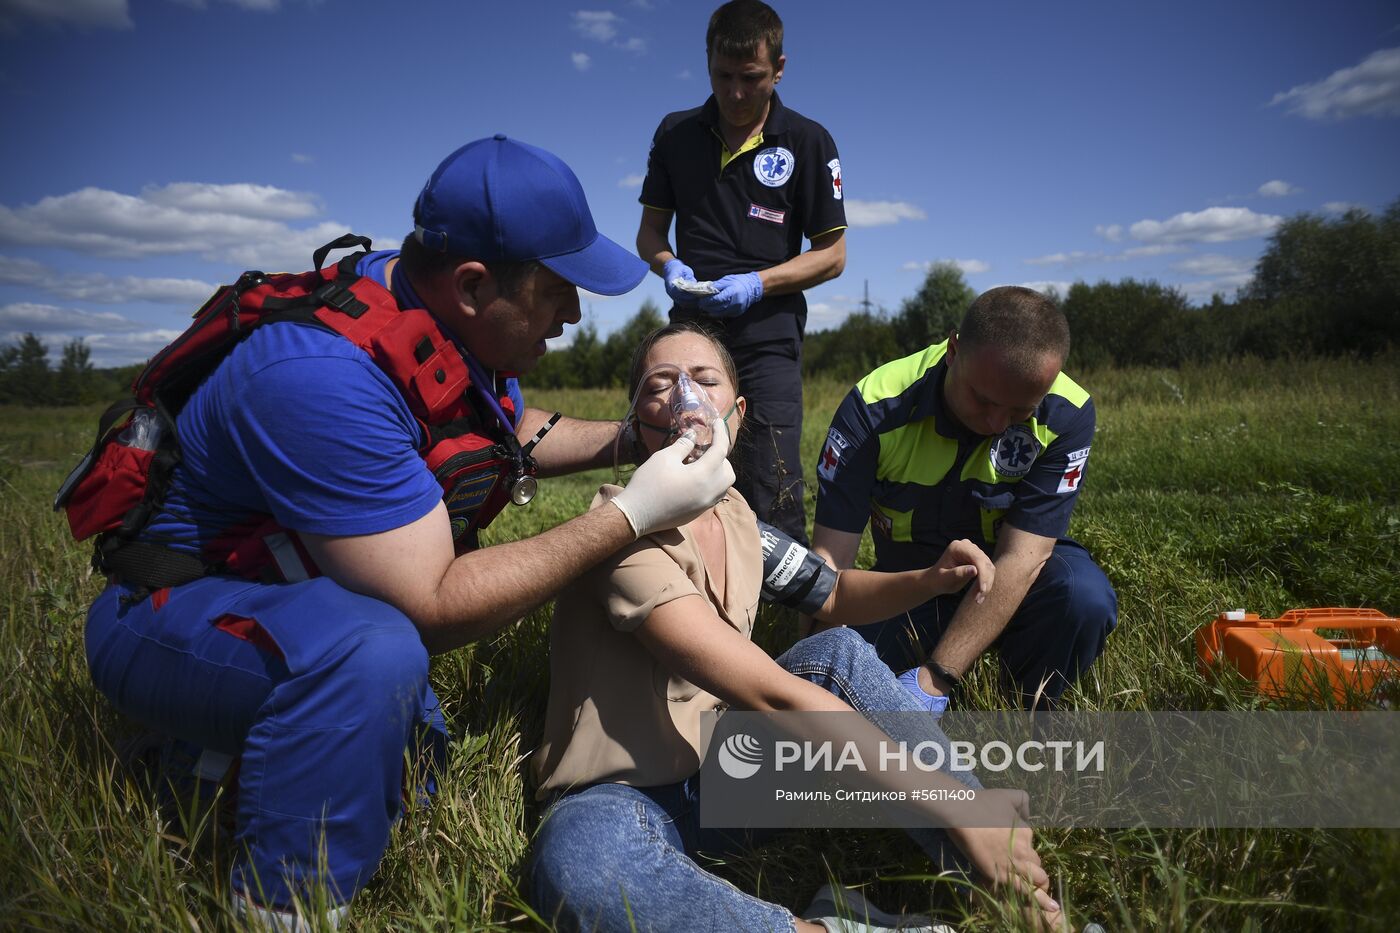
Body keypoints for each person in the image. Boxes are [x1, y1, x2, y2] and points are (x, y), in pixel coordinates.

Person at [80, 136, 735, 927]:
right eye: (558, 290)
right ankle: (281, 906)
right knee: (374, 658)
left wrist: (634, 441)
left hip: (287, 591)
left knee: (414, 761)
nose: (571, 316)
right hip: (169, 613)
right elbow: (430, 604)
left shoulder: (430, 306)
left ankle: (198, 763)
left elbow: (505, 426)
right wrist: (633, 510)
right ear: (472, 284)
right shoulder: (318, 379)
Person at [528, 322, 1065, 933]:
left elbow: (830, 591)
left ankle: (1021, 897)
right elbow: (769, 691)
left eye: (705, 380)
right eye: (660, 386)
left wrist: (929, 579)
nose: (686, 400)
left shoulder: (736, 517)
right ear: (635, 419)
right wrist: (955, 805)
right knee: (578, 862)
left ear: (740, 410)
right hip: (618, 798)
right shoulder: (618, 530)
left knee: (836, 654)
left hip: (722, 777)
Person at [811, 287, 1118, 713]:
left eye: (1019, 413)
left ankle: (1023, 716)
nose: (996, 424)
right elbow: (831, 564)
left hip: (1012, 576)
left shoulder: (1068, 410)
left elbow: (1023, 558)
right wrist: (815, 663)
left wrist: (936, 678)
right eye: (983, 400)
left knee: (1082, 597)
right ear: (953, 350)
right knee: (840, 664)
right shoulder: (875, 405)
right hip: (911, 581)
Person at [636, 0, 846, 544]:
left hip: (768, 335)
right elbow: (649, 236)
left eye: (750, 78)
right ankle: (683, 598)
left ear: (778, 68)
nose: (734, 93)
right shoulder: (675, 133)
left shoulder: (808, 141)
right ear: (707, 63)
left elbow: (833, 254)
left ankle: (778, 619)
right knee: (677, 459)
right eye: (722, 76)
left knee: (771, 475)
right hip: (693, 332)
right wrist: (669, 266)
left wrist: (759, 283)